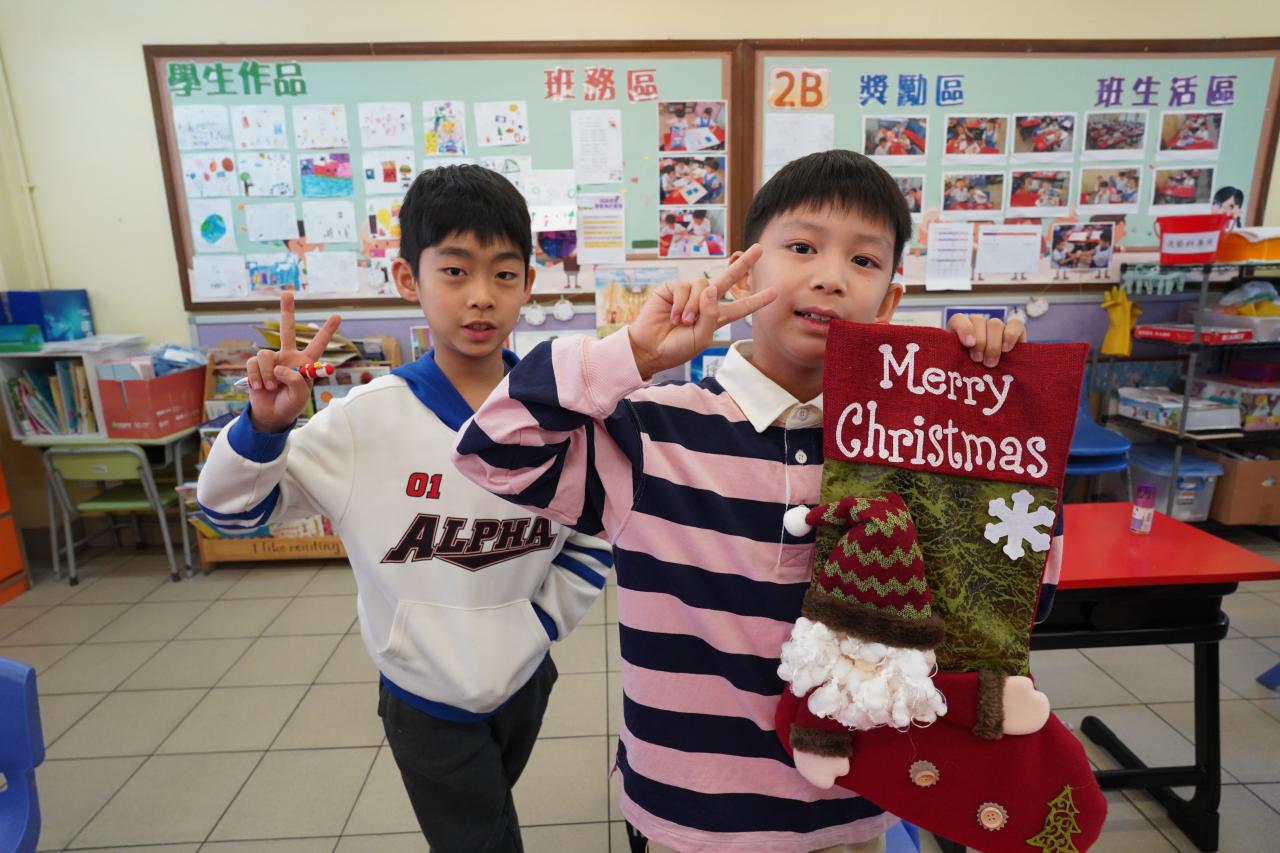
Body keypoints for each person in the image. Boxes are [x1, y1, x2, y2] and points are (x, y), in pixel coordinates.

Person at [452, 150, 1028, 853]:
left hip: (852, 805)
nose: (830, 276)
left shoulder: (905, 450)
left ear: (888, 301)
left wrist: (988, 422)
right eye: (803, 247)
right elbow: (491, 452)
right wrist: (632, 354)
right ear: (745, 271)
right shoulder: (653, 431)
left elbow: (1013, 591)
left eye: (864, 260)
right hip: (694, 813)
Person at [196, 165, 611, 853]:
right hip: (423, 695)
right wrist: (264, 427)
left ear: (528, 284)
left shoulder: (560, 413)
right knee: (479, 840)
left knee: (489, 812)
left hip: (524, 677)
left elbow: (595, 532)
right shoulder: (363, 421)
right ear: (407, 279)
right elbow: (231, 514)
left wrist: (538, 624)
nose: (481, 296)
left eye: (504, 274)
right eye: (455, 271)